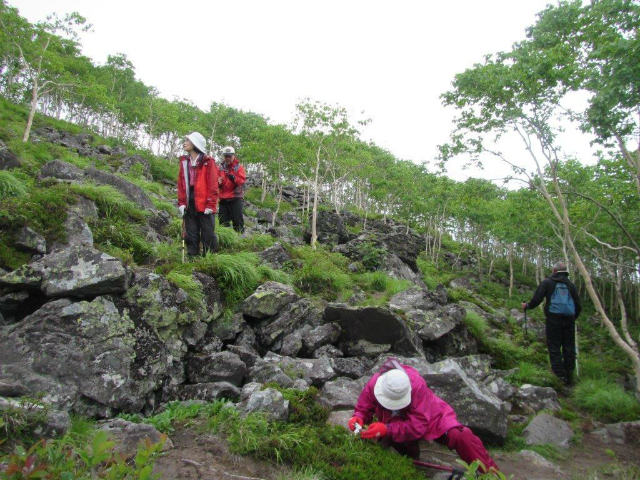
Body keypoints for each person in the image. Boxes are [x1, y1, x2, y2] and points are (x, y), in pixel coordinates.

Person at [349, 358, 499, 473]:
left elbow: (418, 425)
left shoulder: (417, 385)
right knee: (404, 450)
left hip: (433, 417)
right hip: (394, 421)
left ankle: (489, 474)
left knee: (461, 436)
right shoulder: (375, 383)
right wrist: (358, 418)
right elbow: (363, 408)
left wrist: (387, 429)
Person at [522, 261, 581, 386]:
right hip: (569, 320)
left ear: (554, 271)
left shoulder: (548, 282)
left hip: (553, 319)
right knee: (569, 347)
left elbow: (537, 299)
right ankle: (569, 376)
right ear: (565, 272)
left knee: (554, 346)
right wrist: (572, 318)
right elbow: (578, 305)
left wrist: (527, 306)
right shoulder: (571, 285)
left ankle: (559, 376)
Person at [177, 132, 219, 257]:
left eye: (188, 140)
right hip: (190, 200)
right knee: (191, 231)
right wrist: (182, 203)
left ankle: (209, 259)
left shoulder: (208, 162)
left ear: (195, 144)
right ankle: (192, 258)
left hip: (205, 201)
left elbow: (213, 184)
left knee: (208, 233)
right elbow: (181, 184)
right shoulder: (185, 162)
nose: (184, 143)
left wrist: (210, 204)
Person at [218, 146, 246, 233]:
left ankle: (240, 241)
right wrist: (218, 181)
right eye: (226, 156)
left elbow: (241, 181)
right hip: (223, 198)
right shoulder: (220, 168)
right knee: (222, 222)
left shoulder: (239, 167)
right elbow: (216, 181)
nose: (227, 158)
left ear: (233, 156)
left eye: (229, 156)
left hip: (235, 198)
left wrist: (234, 178)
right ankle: (225, 241)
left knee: (238, 222)